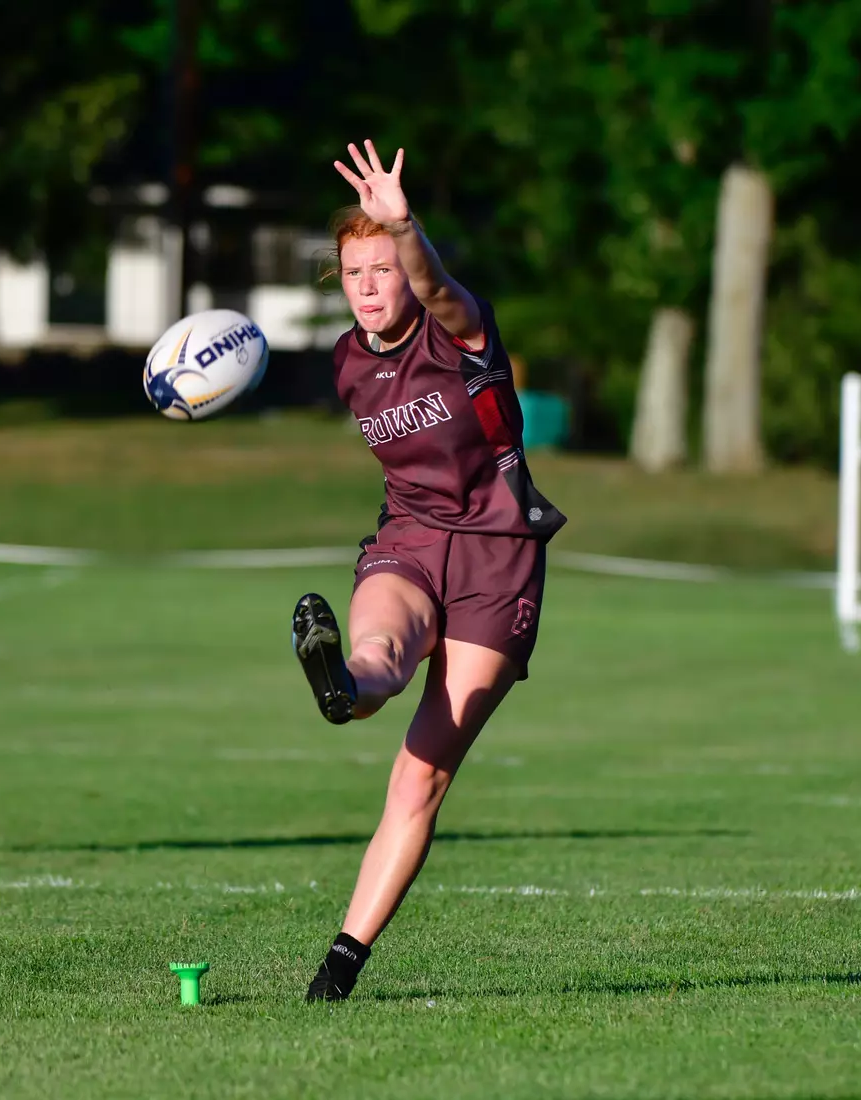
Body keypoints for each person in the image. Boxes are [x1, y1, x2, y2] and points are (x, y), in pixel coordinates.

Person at [290, 141, 566, 1001]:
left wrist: (407, 227)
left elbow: (440, 287)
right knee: (380, 646)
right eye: (352, 272)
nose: (368, 285)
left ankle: (342, 963)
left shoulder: (463, 334)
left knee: (420, 775)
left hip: (499, 558)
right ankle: (344, 681)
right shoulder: (346, 361)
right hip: (411, 536)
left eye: (382, 267)